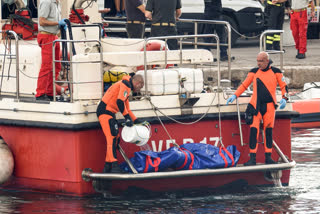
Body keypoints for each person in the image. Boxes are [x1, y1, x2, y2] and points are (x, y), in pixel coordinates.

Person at [226, 51, 289, 166]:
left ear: (267, 61)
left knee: (268, 131)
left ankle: (268, 157)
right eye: (257, 61)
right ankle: (252, 159)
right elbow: (244, 85)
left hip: (270, 106)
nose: (258, 63)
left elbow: (284, 86)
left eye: (261, 61)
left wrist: (285, 98)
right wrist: (235, 95)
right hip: (256, 106)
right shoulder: (254, 72)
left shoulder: (276, 72)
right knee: (253, 131)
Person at [96, 74, 144, 173]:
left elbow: (127, 108)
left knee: (115, 137)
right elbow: (119, 102)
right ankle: (114, 166)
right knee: (112, 138)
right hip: (105, 111)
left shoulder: (126, 87)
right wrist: (127, 118)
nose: (140, 89)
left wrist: (136, 120)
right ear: (138, 83)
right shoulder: (126, 85)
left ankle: (108, 166)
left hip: (109, 112)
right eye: (141, 86)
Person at [36, 0, 67, 101]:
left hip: (54, 36)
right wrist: (58, 23)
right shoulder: (47, 2)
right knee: (47, 66)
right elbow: (42, 21)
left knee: (56, 66)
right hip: (46, 36)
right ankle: (40, 93)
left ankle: (49, 92)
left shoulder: (57, 3)